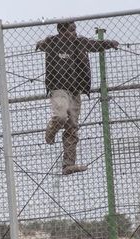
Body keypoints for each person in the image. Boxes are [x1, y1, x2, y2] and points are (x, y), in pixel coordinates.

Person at [36, 21, 119, 175]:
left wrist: (109, 43)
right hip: (59, 88)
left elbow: (95, 45)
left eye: (75, 30)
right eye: (71, 30)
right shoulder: (53, 42)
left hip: (75, 90)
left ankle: (68, 164)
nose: (74, 33)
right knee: (61, 116)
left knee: (72, 127)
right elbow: (41, 44)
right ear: (62, 31)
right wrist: (40, 44)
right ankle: (50, 132)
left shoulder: (80, 42)